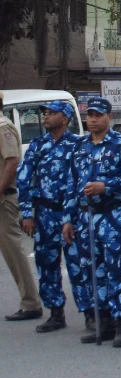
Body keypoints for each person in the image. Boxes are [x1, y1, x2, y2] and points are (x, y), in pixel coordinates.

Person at [62, 98, 121, 346]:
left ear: (109, 118)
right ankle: (102, 321)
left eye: (97, 115)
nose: (92, 119)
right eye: (89, 115)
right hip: (85, 217)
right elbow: (72, 185)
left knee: (117, 270)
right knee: (93, 271)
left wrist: (107, 186)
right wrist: (68, 219)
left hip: (112, 215)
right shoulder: (80, 146)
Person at [16, 100, 82, 333]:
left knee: (78, 265)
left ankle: (92, 314)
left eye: (51, 113)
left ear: (64, 118)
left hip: (70, 213)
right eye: (45, 112)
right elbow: (24, 179)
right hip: (44, 213)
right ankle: (56, 313)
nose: (46, 116)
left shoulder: (78, 145)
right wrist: (27, 214)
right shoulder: (38, 145)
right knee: (46, 263)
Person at [1, 90, 42, 322]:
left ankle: (30, 303)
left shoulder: (3, 127)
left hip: (4, 198)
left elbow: (12, 162)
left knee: (14, 252)